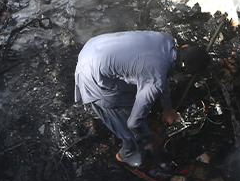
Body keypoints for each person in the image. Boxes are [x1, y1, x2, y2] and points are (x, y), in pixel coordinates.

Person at [74, 31, 210, 167]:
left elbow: (160, 73)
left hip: (92, 47)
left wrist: (167, 108)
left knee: (141, 93)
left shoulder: (165, 38)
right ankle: (126, 155)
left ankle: (137, 120)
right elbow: (134, 122)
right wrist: (150, 139)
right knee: (134, 132)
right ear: (188, 74)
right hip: (91, 77)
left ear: (185, 47)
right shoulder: (155, 80)